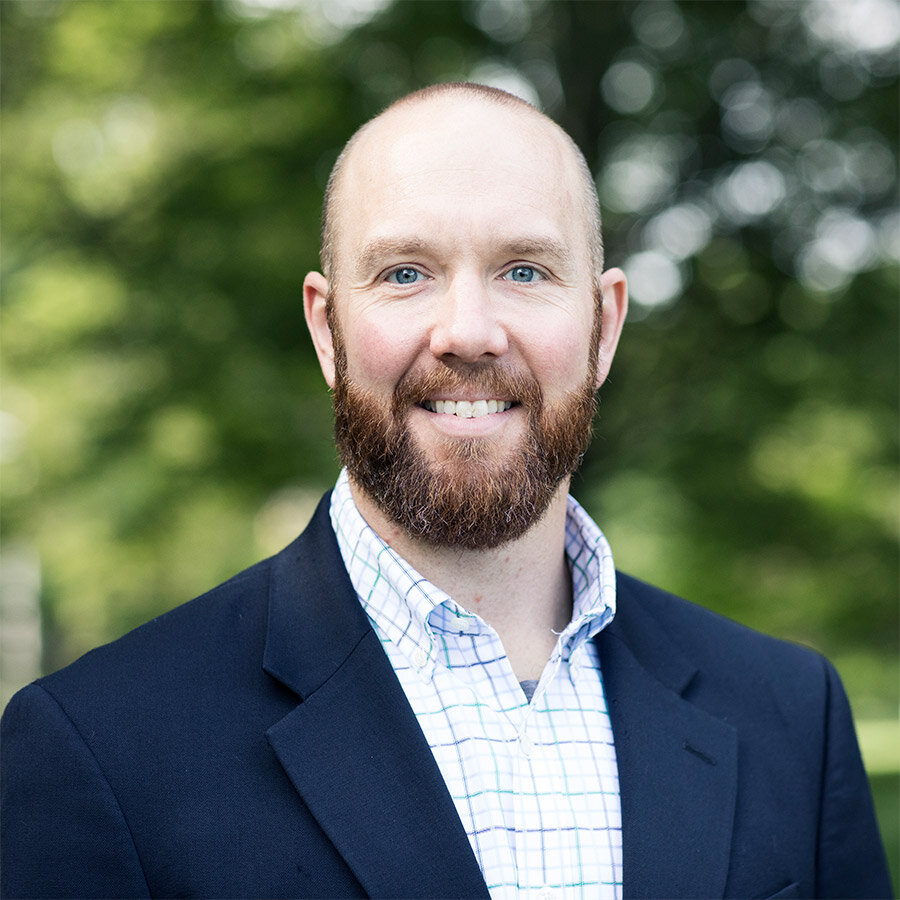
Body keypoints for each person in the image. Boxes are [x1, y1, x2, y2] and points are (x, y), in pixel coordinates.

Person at [0, 83, 891, 900]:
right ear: (326, 328)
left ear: (605, 326)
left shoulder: (791, 716)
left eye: (525, 270)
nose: (468, 332)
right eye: (405, 273)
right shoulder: (97, 750)